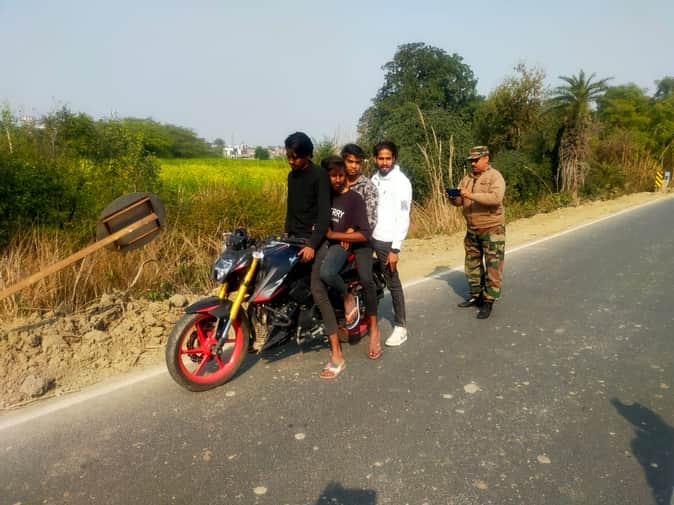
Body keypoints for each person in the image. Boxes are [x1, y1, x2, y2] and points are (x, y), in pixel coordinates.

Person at [312, 156, 371, 379]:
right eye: (332, 176)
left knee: (327, 273)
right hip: (325, 243)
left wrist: (340, 235)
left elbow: (364, 233)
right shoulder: (326, 196)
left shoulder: (354, 199)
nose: (337, 179)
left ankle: (347, 296)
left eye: (340, 175)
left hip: (340, 246)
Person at [448, 145, 506, 319]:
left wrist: (470, 195)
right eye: (471, 161)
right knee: (472, 265)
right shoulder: (467, 179)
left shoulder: (495, 176)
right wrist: (453, 198)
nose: (473, 163)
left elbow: (496, 198)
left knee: (493, 267)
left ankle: (489, 301)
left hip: (492, 228)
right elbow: (460, 202)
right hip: (472, 229)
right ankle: (476, 295)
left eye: (476, 160)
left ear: (486, 158)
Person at [341, 143, 382, 360]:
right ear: (343, 161)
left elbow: (371, 219)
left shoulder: (368, 187)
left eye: (358, 162)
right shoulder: (335, 182)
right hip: (337, 238)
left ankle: (374, 330)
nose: (354, 166)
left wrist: (351, 232)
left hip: (361, 241)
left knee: (366, 280)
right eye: (350, 162)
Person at [370, 140, 412, 347]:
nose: (384, 162)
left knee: (392, 282)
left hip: (387, 242)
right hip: (370, 237)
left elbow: (403, 217)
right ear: (375, 159)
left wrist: (396, 248)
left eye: (388, 158)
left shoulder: (401, 182)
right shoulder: (374, 179)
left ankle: (401, 327)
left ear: (394, 158)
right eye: (381, 158)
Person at [283, 131, 331, 262]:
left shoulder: (319, 175)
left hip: (313, 237)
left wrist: (312, 245)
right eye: (288, 157)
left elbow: (324, 213)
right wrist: (286, 230)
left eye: (295, 158)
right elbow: (291, 206)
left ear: (307, 155)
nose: (291, 161)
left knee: (318, 275)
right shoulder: (291, 176)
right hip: (294, 236)